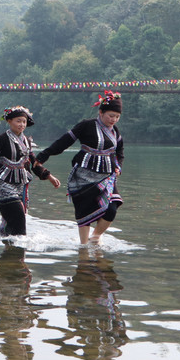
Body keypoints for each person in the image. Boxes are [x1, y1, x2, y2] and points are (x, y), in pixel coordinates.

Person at [35, 91, 125, 245]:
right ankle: (84, 247)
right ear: (101, 112)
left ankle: (95, 238)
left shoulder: (115, 131)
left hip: (107, 176)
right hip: (84, 175)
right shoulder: (87, 125)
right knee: (84, 210)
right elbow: (64, 142)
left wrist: (118, 167)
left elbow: (119, 153)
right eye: (110, 115)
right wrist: (43, 155)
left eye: (117, 117)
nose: (113, 120)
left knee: (112, 208)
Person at [0, 106, 60, 236]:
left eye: (24, 121)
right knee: (18, 215)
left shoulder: (26, 141)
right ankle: (18, 247)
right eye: (18, 121)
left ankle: (9, 244)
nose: (22, 124)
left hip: (21, 183)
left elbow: (33, 162)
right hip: (5, 183)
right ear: (9, 121)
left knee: (16, 218)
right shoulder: (2, 139)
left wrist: (49, 176)